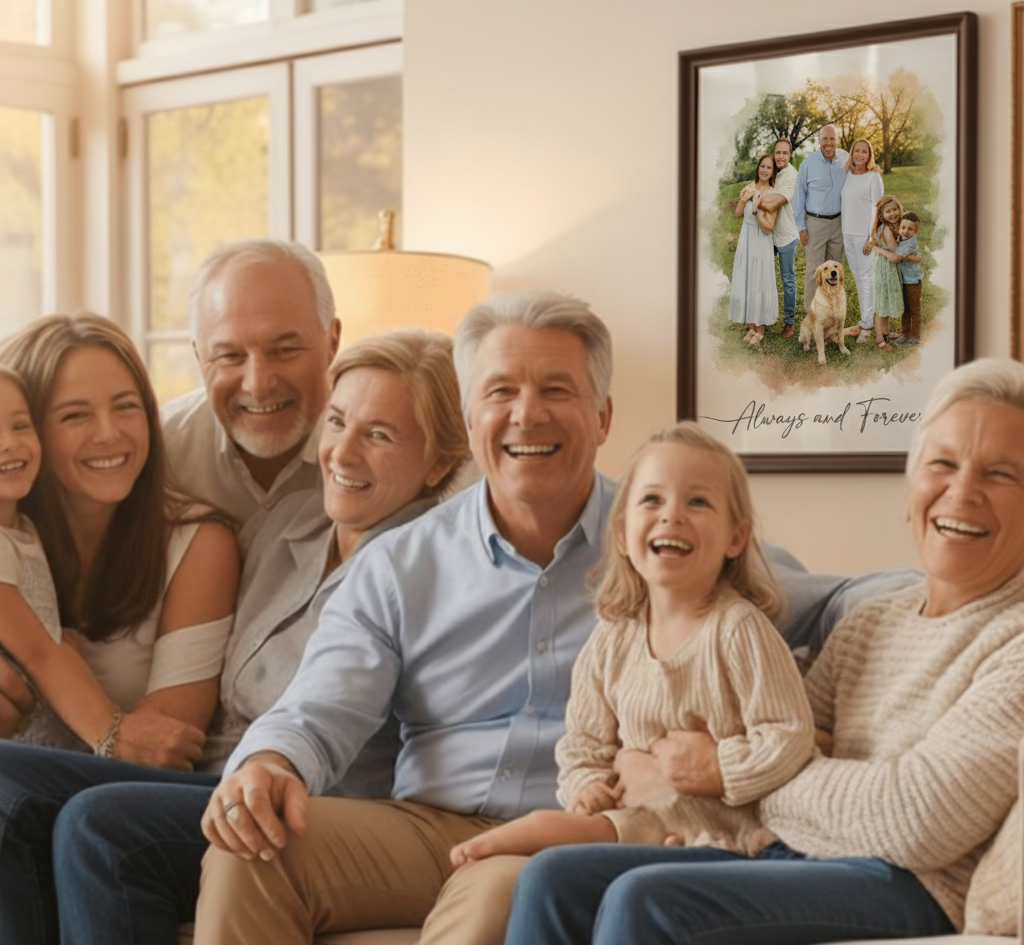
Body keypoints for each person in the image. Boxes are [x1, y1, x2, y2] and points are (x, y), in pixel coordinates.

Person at [502, 356, 1024, 945]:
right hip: (793, 852)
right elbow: (794, 742)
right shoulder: (870, 623)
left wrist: (711, 770)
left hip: (909, 885)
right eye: (943, 464)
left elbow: (914, 820)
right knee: (552, 877)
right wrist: (770, 773)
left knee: (647, 900)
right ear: (911, 489)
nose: (963, 492)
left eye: (1002, 474)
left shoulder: (1016, 645)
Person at [0, 329, 468, 945]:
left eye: (379, 436)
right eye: (336, 423)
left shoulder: (427, 566)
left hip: (308, 798)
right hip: (213, 784)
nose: (343, 454)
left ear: (437, 463)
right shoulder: (286, 527)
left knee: (100, 821)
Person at [449, 422, 813, 866]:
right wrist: (587, 785)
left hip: (721, 825)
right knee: (602, 834)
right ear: (622, 534)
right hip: (632, 812)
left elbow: (789, 735)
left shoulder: (738, 630)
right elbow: (583, 738)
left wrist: (719, 767)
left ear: (736, 538)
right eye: (652, 499)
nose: (671, 515)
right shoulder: (612, 637)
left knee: (594, 840)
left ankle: (536, 837)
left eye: (697, 502)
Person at [0, 364, 199, 754]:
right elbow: (40, 651)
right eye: (75, 415)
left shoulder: (22, 526)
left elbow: (51, 642)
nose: (7, 443)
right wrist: (114, 737)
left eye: (20, 426)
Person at [161, 238, 340, 530]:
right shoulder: (162, 454)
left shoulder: (375, 453)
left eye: (283, 351)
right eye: (230, 356)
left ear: (332, 342)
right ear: (198, 356)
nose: (257, 386)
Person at [793, 125, 849, 311]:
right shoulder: (808, 164)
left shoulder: (846, 158)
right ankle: (813, 317)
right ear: (819, 140)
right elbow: (799, 197)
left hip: (839, 223)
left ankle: (833, 313)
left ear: (837, 140)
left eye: (832, 139)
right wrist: (801, 227)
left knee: (835, 272)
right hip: (815, 223)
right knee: (814, 272)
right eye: (825, 139)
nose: (828, 143)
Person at [728, 154, 778, 345]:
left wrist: (756, 209)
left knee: (759, 280)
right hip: (746, 240)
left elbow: (769, 227)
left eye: (769, 168)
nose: (765, 170)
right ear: (758, 168)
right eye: (762, 166)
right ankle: (751, 326)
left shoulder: (773, 195)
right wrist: (744, 200)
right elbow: (737, 214)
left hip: (761, 240)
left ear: (773, 172)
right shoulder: (749, 187)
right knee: (748, 279)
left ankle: (760, 328)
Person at [840, 138, 884, 344]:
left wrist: (871, 236)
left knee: (866, 278)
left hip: (864, 237)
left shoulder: (873, 177)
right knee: (858, 278)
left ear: (869, 155)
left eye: (864, 152)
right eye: (856, 151)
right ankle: (864, 320)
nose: (859, 155)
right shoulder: (849, 174)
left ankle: (867, 327)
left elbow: (878, 208)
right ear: (851, 153)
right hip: (847, 234)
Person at [761, 138, 799, 338]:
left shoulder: (792, 175)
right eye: (778, 153)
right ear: (774, 153)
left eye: (785, 153)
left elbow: (772, 204)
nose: (781, 157)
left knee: (787, 279)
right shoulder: (773, 171)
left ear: (790, 154)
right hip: (768, 232)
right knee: (763, 276)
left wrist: (755, 198)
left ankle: (789, 322)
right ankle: (762, 318)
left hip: (785, 234)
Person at [868, 195, 905, 351]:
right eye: (888, 211)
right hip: (885, 269)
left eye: (895, 209)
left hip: (887, 268)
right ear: (881, 215)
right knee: (882, 305)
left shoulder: (891, 226)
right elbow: (896, 254)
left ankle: (885, 331)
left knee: (886, 300)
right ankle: (879, 339)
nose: (892, 213)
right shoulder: (887, 229)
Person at [895, 211, 924, 347]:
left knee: (914, 308)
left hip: (913, 281)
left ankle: (915, 336)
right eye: (903, 227)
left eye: (910, 229)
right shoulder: (900, 239)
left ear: (916, 231)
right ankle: (905, 334)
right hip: (904, 280)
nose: (905, 231)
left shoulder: (911, 242)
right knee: (905, 308)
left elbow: (897, 254)